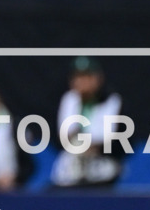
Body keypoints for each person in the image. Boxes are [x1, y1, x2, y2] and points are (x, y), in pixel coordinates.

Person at [51, 56, 123, 187]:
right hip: (70, 169)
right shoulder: (69, 99)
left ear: (97, 79)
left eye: (87, 77)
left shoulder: (111, 101)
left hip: (101, 169)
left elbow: (105, 136)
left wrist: (85, 141)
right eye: (78, 77)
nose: (82, 82)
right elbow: (65, 135)